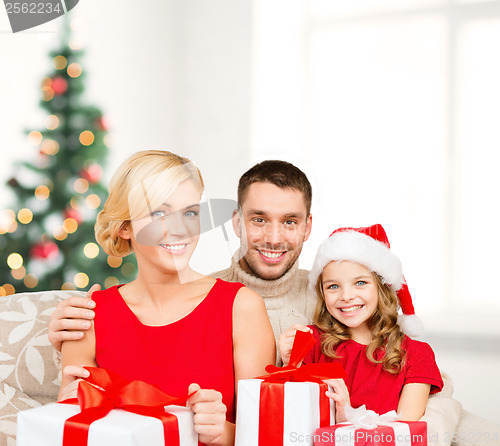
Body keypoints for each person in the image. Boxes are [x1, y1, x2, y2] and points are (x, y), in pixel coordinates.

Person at [49, 159, 499, 446]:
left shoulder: (341, 298)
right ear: (236, 222)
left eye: (290, 222)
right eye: (259, 219)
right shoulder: (214, 298)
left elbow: (418, 373)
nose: (273, 237)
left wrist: (411, 435)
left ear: (307, 228)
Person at [58, 150, 275, 446]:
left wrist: (220, 432)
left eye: (190, 213)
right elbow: (72, 428)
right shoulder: (88, 317)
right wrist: (67, 405)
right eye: (159, 213)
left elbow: (264, 436)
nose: (180, 228)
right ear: (125, 227)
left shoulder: (241, 307)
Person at [279, 224, 443, 423]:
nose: (346, 296)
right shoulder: (311, 341)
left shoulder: (416, 355)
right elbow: (289, 416)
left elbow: (404, 431)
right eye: (333, 286)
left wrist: (346, 415)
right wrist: (290, 363)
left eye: (360, 283)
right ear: (322, 294)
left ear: (382, 287)